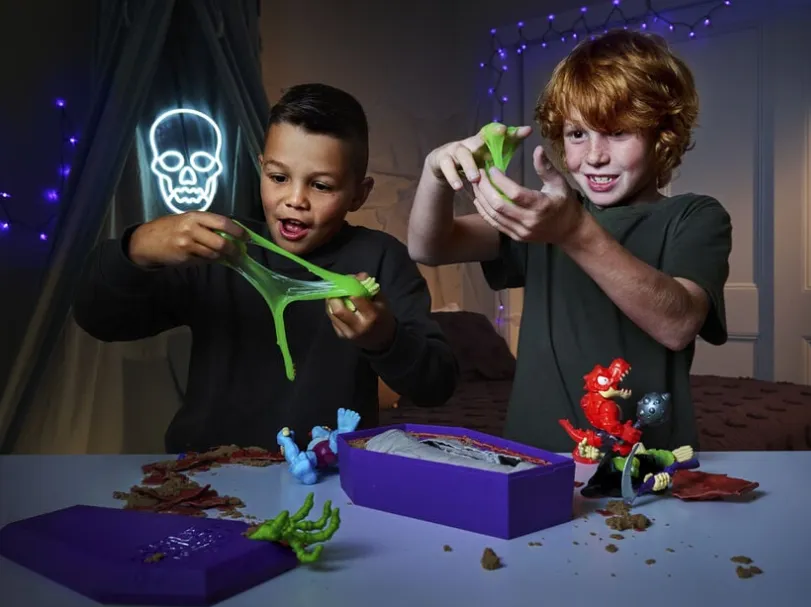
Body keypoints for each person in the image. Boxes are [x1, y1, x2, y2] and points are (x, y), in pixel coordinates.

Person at [73, 83, 458, 453]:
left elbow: (436, 384)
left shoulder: (382, 259)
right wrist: (138, 246)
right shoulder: (219, 250)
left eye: (321, 186)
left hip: (328, 474)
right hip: (208, 471)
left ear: (359, 194)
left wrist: (384, 338)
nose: (295, 200)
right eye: (278, 177)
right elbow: (98, 319)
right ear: (261, 168)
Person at [407, 31, 731, 454]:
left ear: (662, 135)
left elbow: (678, 325)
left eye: (618, 132)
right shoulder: (546, 215)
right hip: (537, 454)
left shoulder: (693, 216)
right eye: (577, 134)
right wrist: (434, 173)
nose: (594, 156)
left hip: (642, 460)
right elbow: (430, 248)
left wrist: (574, 232)